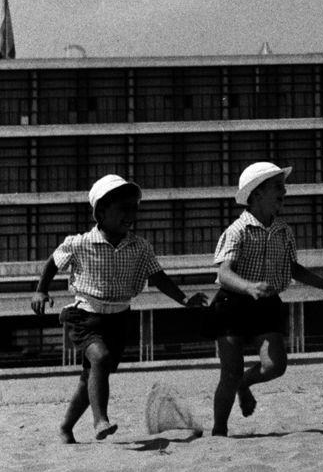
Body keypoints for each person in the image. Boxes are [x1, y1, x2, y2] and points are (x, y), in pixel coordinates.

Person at [30, 175, 203, 443]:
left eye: (134, 208)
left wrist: (183, 299)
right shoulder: (79, 242)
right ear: (101, 211)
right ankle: (100, 421)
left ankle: (66, 426)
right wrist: (41, 289)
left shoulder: (140, 247)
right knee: (100, 359)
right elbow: (53, 262)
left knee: (90, 377)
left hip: (119, 318)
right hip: (85, 315)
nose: (131, 214)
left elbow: (158, 277)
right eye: (123, 208)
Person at [210, 162, 323, 435]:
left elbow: (292, 268)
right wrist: (248, 287)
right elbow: (224, 273)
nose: (284, 191)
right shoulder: (237, 231)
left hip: (267, 304)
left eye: (283, 186)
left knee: (275, 366)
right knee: (230, 372)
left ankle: (244, 384)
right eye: (277, 187)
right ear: (256, 194)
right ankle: (219, 431)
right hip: (232, 304)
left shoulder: (284, 231)